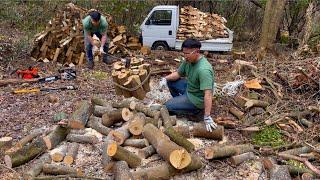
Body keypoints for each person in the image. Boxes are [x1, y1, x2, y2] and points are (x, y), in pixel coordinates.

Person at [159, 38, 217, 132]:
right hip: (190, 88)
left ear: (197, 51)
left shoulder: (204, 70)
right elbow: (178, 74)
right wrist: (164, 79)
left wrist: (207, 116)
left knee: (167, 106)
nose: (185, 56)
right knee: (170, 81)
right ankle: (181, 102)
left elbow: (208, 94)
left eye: (187, 53)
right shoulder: (188, 60)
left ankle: (195, 111)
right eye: (184, 53)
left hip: (197, 99)